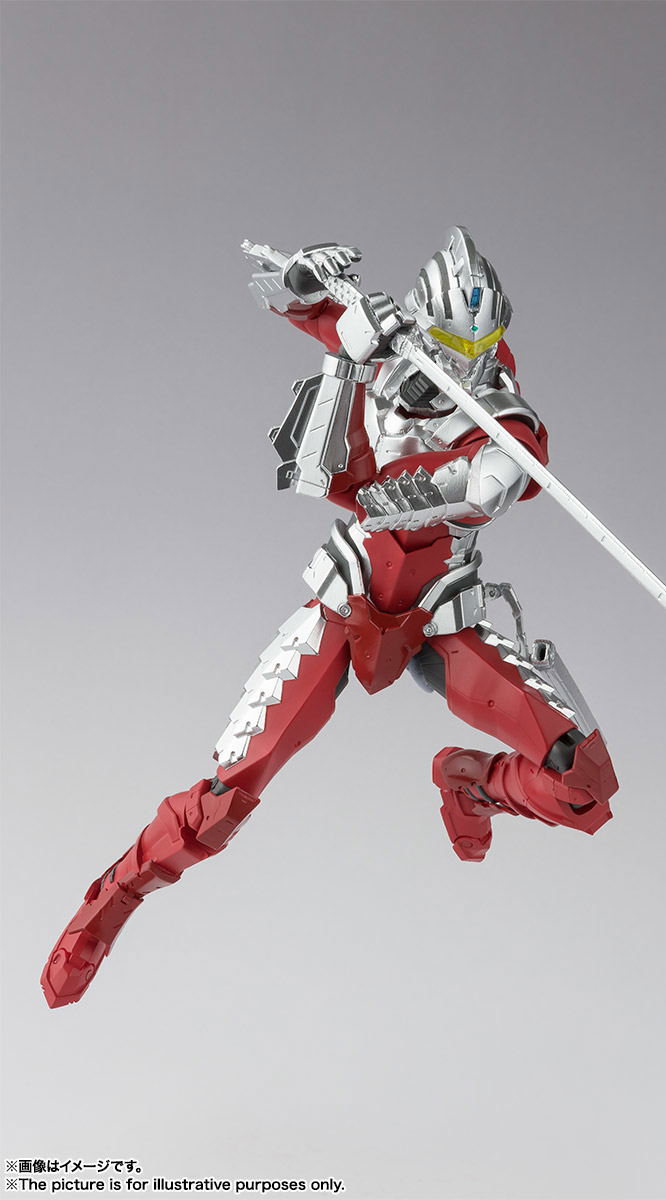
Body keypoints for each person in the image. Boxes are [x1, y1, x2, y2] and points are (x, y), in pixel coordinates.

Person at [41, 226, 618, 1009]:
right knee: (221, 803)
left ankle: (473, 783)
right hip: (349, 598)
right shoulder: (380, 346)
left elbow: (498, 479)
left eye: (482, 346)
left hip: (441, 611)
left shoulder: (495, 403)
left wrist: (458, 476)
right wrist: (329, 319)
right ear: (425, 324)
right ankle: (105, 909)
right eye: (452, 343)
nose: (466, 361)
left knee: (583, 785)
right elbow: (307, 401)